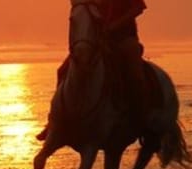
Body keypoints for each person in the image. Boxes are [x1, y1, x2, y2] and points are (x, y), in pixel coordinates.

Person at [36, 0, 149, 141]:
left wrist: (116, 25)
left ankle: (141, 121)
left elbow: (138, 8)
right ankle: (53, 122)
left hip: (124, 38)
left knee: (135, 76)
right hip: (100, 40)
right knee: (63, 70)